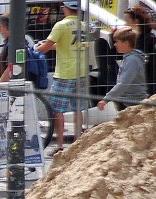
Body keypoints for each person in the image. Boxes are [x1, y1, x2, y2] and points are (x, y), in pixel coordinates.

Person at [35, 0, 90, 156]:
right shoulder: (84, 25)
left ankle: (60, 145)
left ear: (64, 8)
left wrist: (36, 47)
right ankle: (78, 142)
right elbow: (68, 44)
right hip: (82, 72)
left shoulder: (60, 25)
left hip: (65, 73)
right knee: (78, 107)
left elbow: (44, 49)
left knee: (57, 110)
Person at [98, 27, 148, 111]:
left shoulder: (131, 60)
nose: (114, 44)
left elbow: (123, 83)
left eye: (117, 42)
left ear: (126, 43)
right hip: (129, 102)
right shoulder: (129, 58)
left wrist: (106, 99)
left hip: (132, 103)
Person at [123, 5, 156, 95]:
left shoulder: (150, 39)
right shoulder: (132, 39)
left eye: (127, 22)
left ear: (136, 22)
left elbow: (155, 66)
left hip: (148, 84)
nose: (125, 25)